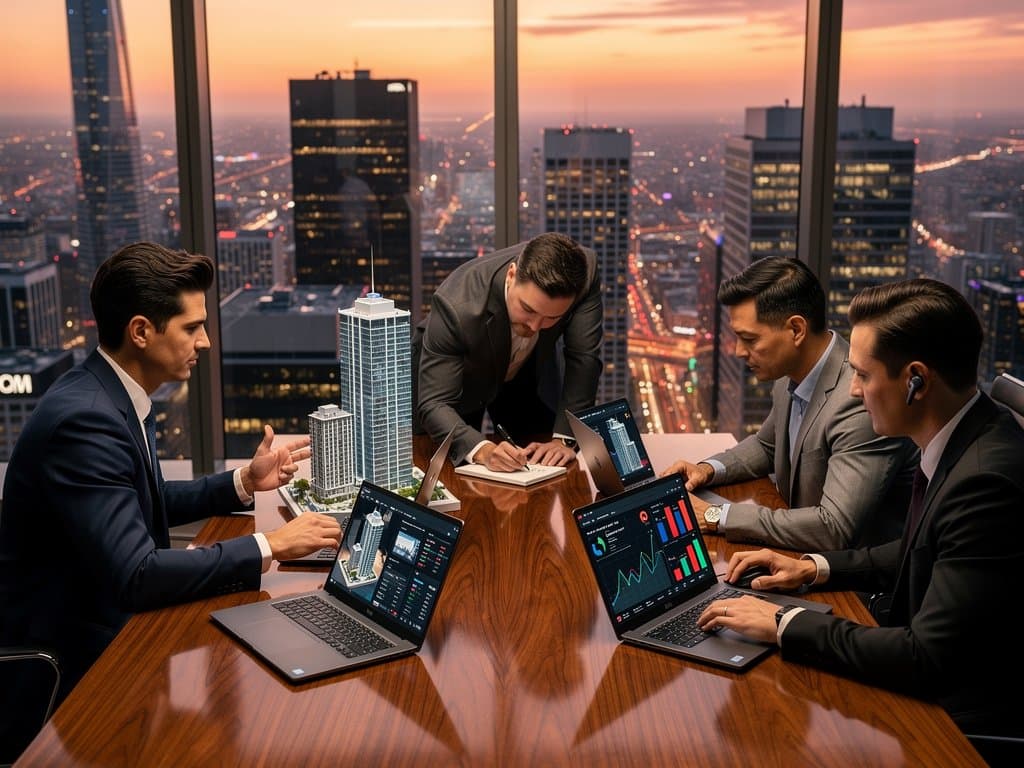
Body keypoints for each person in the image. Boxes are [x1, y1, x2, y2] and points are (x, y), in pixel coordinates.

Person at [0, 242, 341, 705]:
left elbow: (144, 498)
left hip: (107, 628)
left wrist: (243, 482)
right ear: (141, 331)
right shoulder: (86, 421)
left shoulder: (111, 393)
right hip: (72, 662)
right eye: (193, 327)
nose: (205, 341)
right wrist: (270, 545)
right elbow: (137, 574)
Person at [698, 278, 1024, 742]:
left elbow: (925, 658)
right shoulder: (966, 437)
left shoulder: (984, 482)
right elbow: (918, 550)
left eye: (864, 375)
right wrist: (811, 567)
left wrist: (783, 623)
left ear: (916, 381)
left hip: (956, 721)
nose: (853, 392)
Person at [662, 256, 917, 551]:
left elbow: (833, 528)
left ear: (796, 330)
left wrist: (716, 515)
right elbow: (766, 445)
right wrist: (707, 469)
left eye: (749, 339)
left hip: (853, 585)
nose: (738, 351)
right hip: (799, 555)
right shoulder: (791, 373)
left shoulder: (859, 398)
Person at [413, 232, 603, 471]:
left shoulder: (583, 274)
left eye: (551, 318)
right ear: (511, 275)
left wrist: (564, 439)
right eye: (528, 309)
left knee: (540, 471)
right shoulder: (456, 306)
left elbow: (584, 358)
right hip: (459, 382)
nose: (535, 327)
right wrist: (482, 450)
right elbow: (435, 403)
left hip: (524, 376)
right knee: (454, 478)